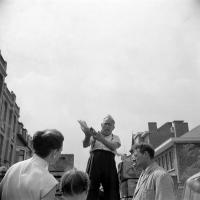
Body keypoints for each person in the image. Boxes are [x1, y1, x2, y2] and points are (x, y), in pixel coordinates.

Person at [0, 129, 64, 200]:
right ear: (54, 152)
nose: (60, 154)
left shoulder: (12, 168)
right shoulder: (49, 183)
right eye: (60, 151)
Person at [78, 115, 121, 200]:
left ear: (113, 127)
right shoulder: (94, 135)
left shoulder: (115, 138)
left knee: (112, 187)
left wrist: (101, 139)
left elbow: (113, 147)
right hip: (94, 161)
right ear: (101, 125)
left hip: (109, 162)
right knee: (91, 186)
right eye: (106, 124)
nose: (107, 126)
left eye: (110, 124)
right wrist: (87, 134)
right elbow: (85, 144)